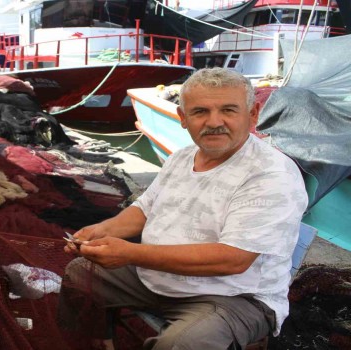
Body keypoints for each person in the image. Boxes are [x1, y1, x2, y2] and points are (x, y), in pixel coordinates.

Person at [59, 67, 308, 349]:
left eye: (228, 110)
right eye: (200, 112)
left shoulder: (272, 174)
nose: (215, 122)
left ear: (252, 115)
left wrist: (130, 253)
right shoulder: (182, 157)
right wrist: (100, 230)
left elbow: (233, 260)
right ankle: (101, 343)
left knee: (183, 343)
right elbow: (145, 208)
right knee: (80, 275)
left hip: (234, 295)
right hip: (156, 277)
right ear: (182, 118)